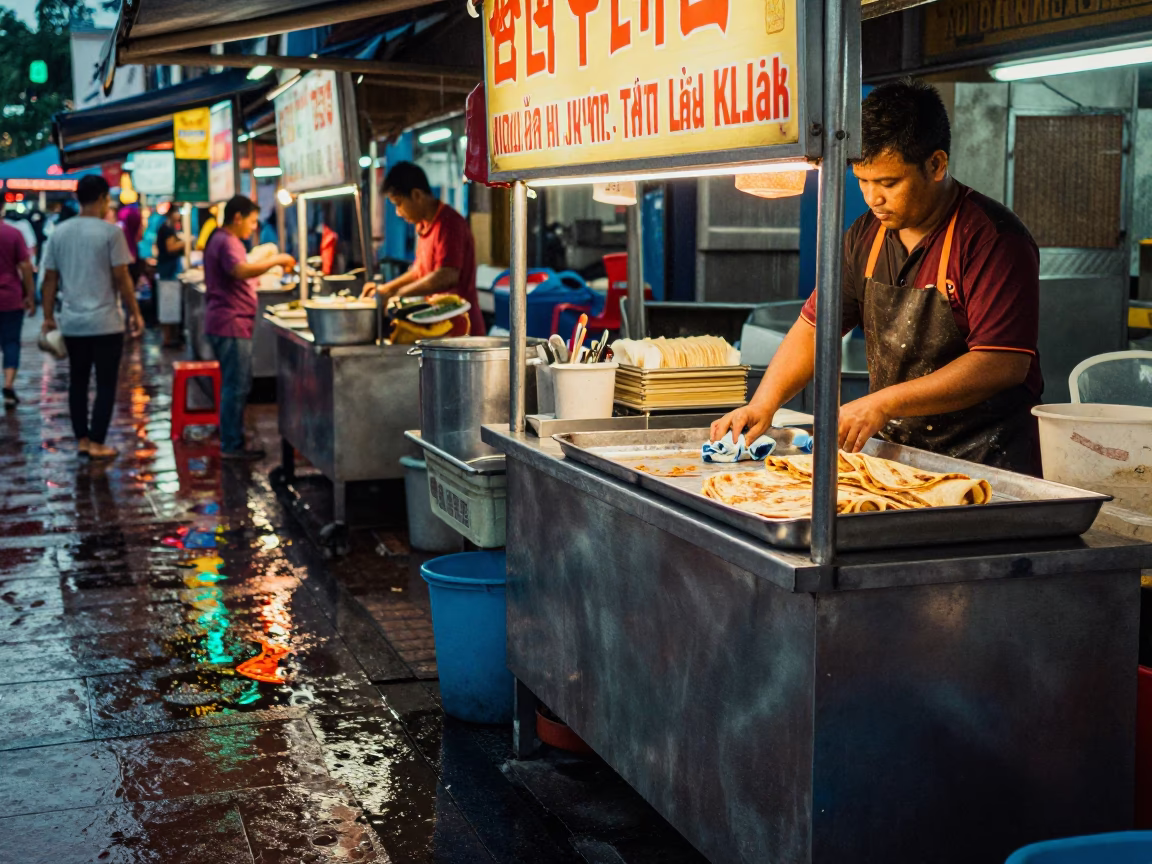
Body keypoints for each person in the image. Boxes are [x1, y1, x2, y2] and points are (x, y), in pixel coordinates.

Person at [713, 78, 1043, 475]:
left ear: (936, 164)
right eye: (863, 182)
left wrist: (883, 402)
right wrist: (763, 404)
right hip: (897, 460)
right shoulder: (864, 235)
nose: (873, 198)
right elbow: (815, 327)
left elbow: (1001, 363)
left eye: (888, 183)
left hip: (987, 464)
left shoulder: (993, 239)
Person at [40, 175, 144, 460]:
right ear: (101, 199)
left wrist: (48, 317)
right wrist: (135, 313)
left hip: (73, 322)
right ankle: (97, 440)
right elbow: (122, 277)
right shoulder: (111, 233)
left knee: (78, 380)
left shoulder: (59, 232)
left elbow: (50, 279)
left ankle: (83, 440)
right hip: (106, 322)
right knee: (106, 383)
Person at [203, 195, 294, 460]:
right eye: (252, 221)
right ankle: (232, 444)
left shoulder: (222, 239)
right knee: (236, 385)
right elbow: (239, 270)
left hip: (229, 322)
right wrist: (277, 260)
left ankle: (233, 438)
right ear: (238, 217)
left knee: (236, 384)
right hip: (230, 323)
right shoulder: (227, 241)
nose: (254, 227)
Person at [361, 162, 485, 337]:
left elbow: (447, 276)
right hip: (438, 324)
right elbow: (419, 271)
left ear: (417, 195)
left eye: (399, 204)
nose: (398, 212)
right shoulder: (424, 225)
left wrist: (399, 293)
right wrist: (386, 289)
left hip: (460, 328)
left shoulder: (449, 224)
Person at [0, 217, 36, 407]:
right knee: (11, 342)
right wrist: (30, 294)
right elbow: (25, 265)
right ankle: (8, 385)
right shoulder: (13, 234)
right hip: (10, 297)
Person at [155, 206, 184, 281]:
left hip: (165, 262)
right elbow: (171, 248)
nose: (179, 215)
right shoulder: (167, 228)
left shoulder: (167, 226)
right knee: (169, 287)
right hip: (167, 264)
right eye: (177, 212)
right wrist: (184, 242)